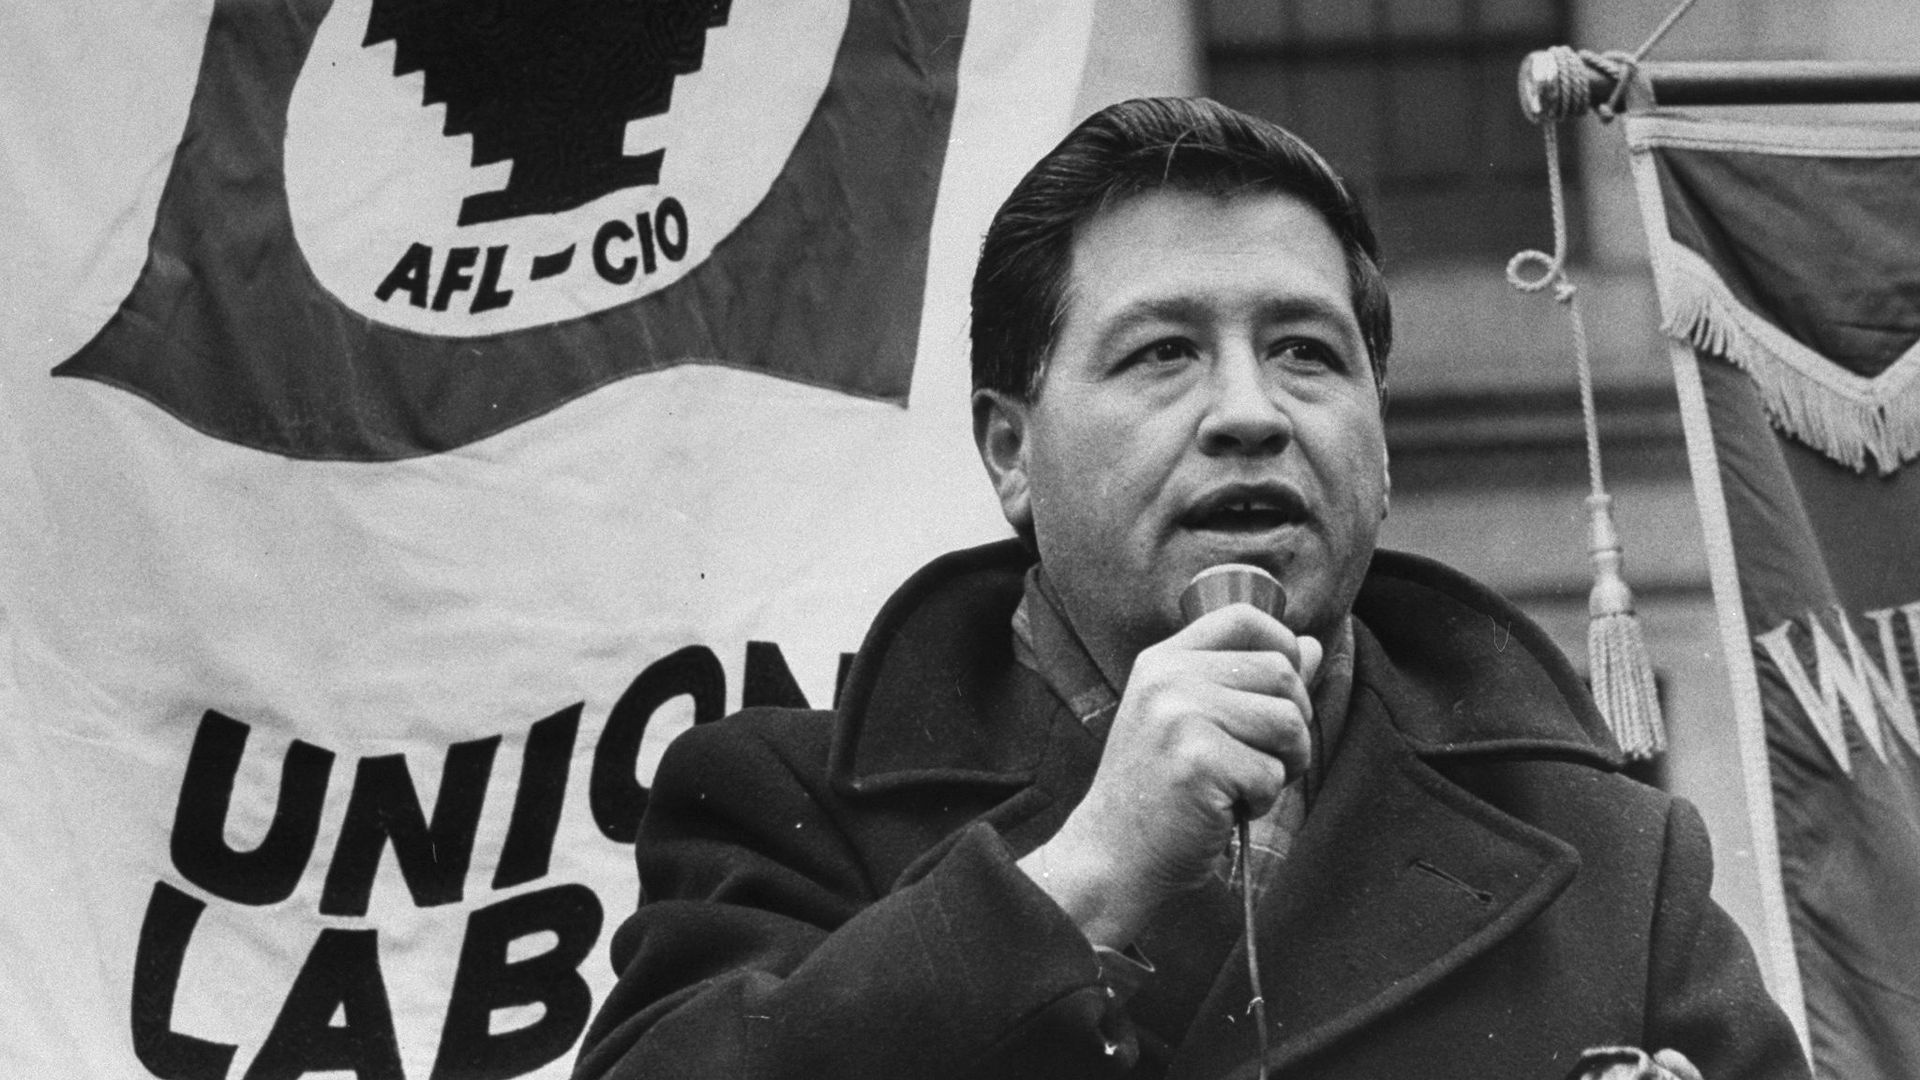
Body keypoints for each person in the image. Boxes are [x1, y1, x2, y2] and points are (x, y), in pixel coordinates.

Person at [573, 97, 1810, 1079]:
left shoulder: (1612, 853)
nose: (1250, 413)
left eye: (1307, 354)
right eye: (1165, 353)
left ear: (1384, 456)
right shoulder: (782, 802)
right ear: (1011, 452)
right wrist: (1085, 876)